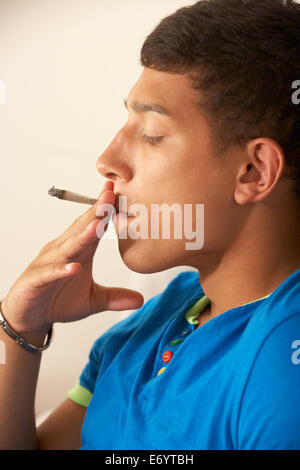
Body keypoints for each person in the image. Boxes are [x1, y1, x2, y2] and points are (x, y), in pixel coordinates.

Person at [1, 0, 300, 450]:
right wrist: (20, 329)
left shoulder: (281, 360)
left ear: (254, 172)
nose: (107, 161)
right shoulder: (170, 311)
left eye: (152, 134)